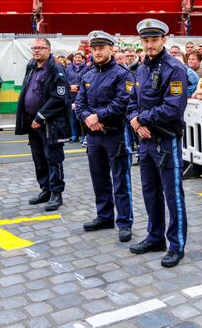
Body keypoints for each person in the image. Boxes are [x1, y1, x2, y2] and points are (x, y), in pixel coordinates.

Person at [126, 18, 188, 268]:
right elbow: (131, 99)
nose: (149, 44)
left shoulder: (174, 68)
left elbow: (173, 107)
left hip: (166, 141)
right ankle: (154, 237)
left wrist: (142, 119)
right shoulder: (140, 68)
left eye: (154, 39)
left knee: (173, 197)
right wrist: (135, 120)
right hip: (145, 141)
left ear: (164, 40)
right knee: (150, 193)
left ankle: (176, 245)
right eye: (146, 40)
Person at [76, 31, 134, 243]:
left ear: (111, 49)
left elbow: (123, 103)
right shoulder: (88, 74)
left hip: (115, 135)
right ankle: (105, 216)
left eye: (102, 47)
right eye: (95, 48)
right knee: (99, 178)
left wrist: (97, 116)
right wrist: (89, 119)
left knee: (120, 180)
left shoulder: (122, 74)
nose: (98, 51)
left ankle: (125, 222)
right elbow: (79, 104)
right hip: (93, 136)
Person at [15, 38, 70, 211]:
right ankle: (45, 189)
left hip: (49, 123)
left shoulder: (56, 69)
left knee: (53, 158)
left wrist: (40, 116)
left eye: (41, 48)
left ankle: (56, 193)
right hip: (33, 123)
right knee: (39, 158)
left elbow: (59, 98)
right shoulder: (31, 67)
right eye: (35, 48)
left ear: (49, 49)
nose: (37, 50)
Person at [66, 51, 89, 143]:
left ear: (82, 59)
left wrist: (78, 87)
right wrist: (70, 86)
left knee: (80, 116)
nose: (77, 59)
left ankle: (83, 135)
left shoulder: (86, 68)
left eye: (79, 57)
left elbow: (87, 79)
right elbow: (65, 79)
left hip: (81, 94)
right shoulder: (68, 68)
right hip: (71, 94)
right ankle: (74, 135)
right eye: (76, 57)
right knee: (71, 116)